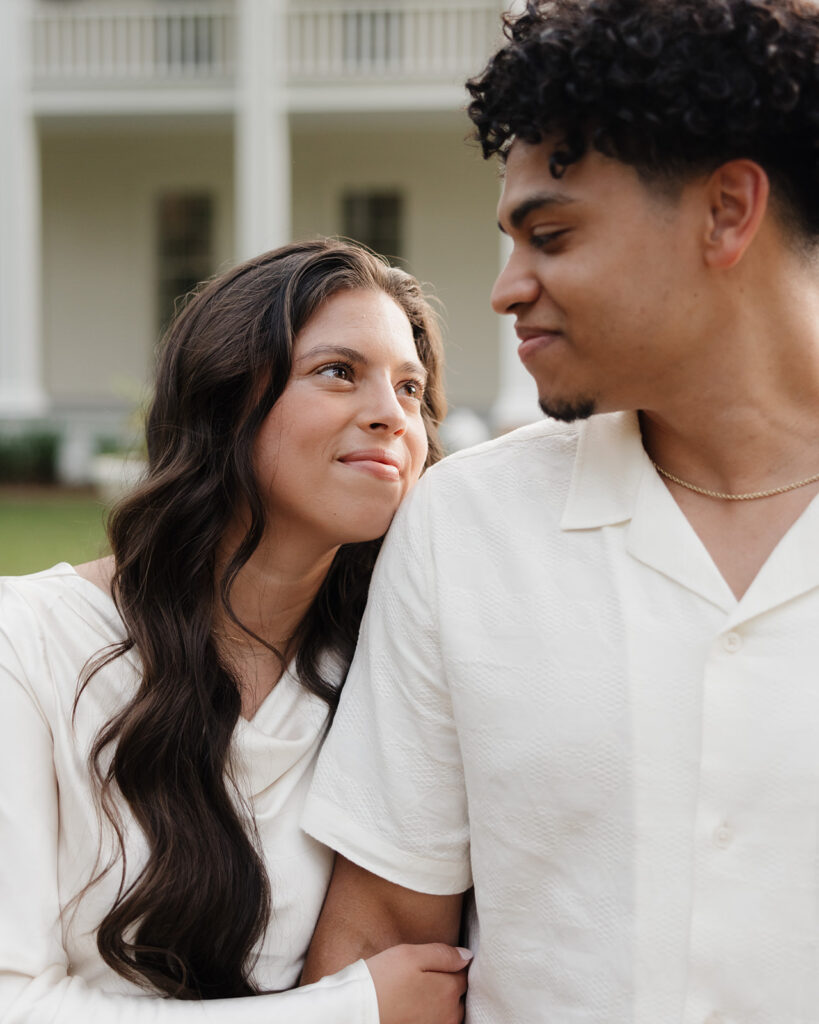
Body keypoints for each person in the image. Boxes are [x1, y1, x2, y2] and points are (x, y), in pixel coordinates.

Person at [299, 1, 819, 1021]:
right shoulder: (463, 528)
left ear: (726, 212)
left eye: (551, 234)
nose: (504, 290)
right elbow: (379, 941)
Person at [0, 238, 472, 1023]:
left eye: (411, 387)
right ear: (223, 399)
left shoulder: (388, 671)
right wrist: (348, 1012)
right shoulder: (28, 643)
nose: (393, 415)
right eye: (337, 371)